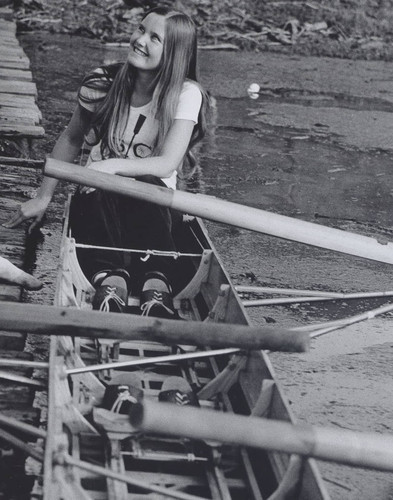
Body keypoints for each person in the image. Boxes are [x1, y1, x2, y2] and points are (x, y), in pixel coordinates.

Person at [4, 7, 210, 317]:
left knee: (147, 184)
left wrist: (111, 166)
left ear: (175, 54)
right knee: (97, 188)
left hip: (152, 205)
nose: (139, 40)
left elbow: (167, 164)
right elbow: (72, 139)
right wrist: (43, 196)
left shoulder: (186, 93)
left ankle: (157, 283)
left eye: (154, 38)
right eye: (140, 29)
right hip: (99, 198)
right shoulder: (103, 82)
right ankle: (110, 279)